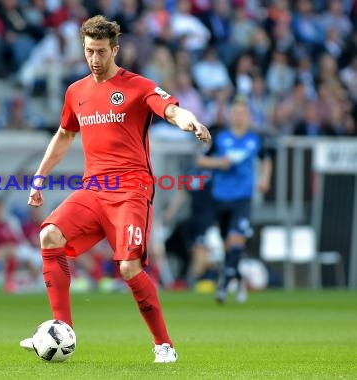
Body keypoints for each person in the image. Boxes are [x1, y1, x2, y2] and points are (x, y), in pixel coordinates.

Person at [19, 15, 210, 363]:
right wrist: (39, 176)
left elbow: (168, 109)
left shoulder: (138, 85)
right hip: (94, 190)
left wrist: (190, 122)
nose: (95, 59)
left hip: (131, 191)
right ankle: (61, 329)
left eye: (102, 51)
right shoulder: (76, 91)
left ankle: (163, 346)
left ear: (115, 50)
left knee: (128, 268)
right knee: (49, 236)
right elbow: (64, 135)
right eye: (90, 51)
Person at [197, 98, 272, 304]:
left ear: (248, 116)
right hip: (221, 197)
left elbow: (266, 159)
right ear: (231, 115)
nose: (239, 116)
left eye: (242, 113)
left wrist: (265, 178)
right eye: (236, 113)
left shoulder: (255, 139)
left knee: (236, 237)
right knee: (228, 245)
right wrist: (218, 162)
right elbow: (201, 159)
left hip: (243, 197)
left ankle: (223, 285)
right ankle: (237, 277)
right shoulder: (221, 138)